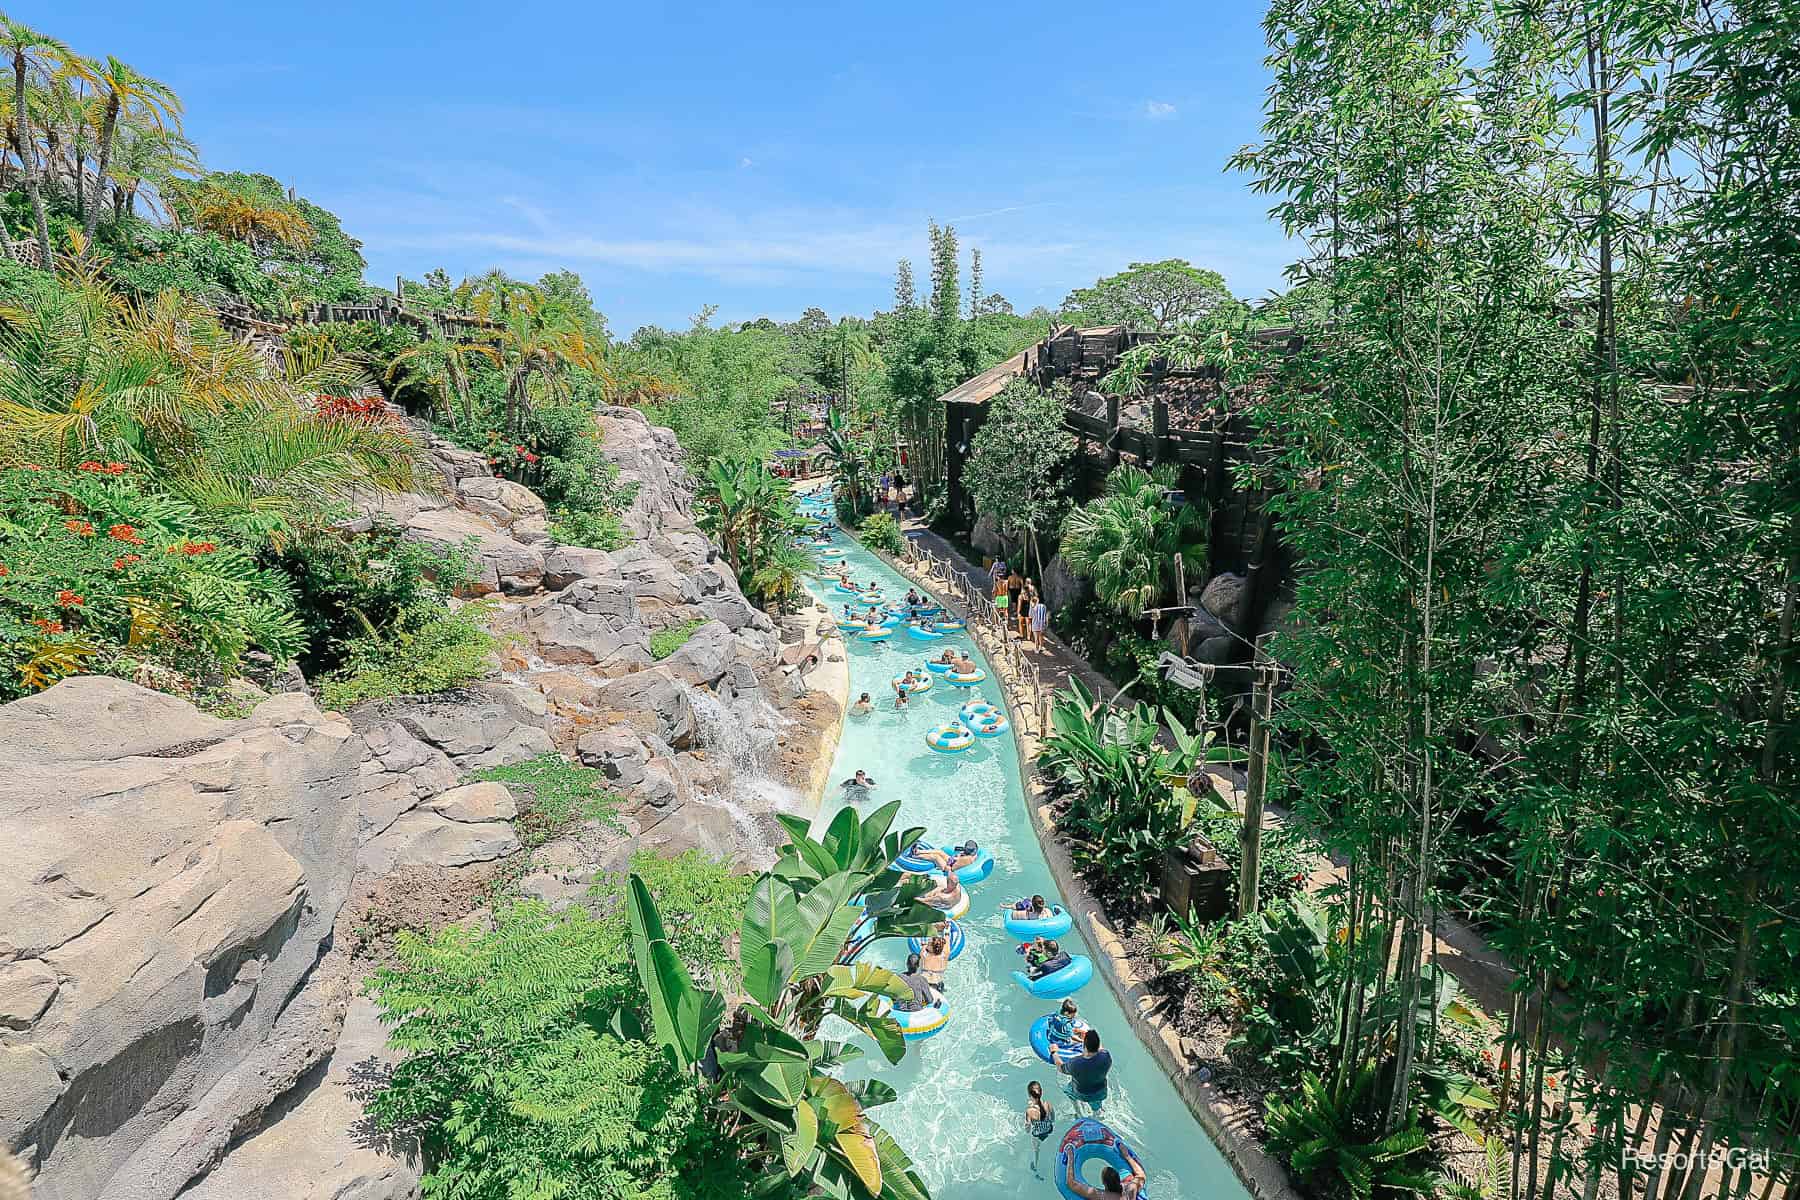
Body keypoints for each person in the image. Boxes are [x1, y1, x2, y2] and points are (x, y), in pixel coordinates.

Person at [1053, 1029, 1114, 1114]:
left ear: (1084, 1046)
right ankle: (1097, 1112)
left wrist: (1054, 1052)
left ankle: (1078, 1111)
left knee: (1068, 1091)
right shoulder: (1106, 1056)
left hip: (1081, 1093)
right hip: (1100, 1092)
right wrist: (1085, 1035)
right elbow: (1099, 1048)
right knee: (1096, 1105)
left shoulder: (1075, 1063)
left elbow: (1061, 1068)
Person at [1063, 1145, 1146, 1200]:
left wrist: (1070, 1157)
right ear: (1119, 1179)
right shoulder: (1131, 1188)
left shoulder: (1103, 1196)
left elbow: (1071, 1184)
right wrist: (1126, 1155)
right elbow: (1141, 1175)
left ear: (1104, 1183)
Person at [1024, 1080, 1056, 1177]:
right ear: (1041, 1092)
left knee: (1036, 1150)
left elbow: (1027, 1130)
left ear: (1029, 1095)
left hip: (1037, 1135)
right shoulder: (1048, 1104)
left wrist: (1027, 1125)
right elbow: (1053, 1119)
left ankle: (1035, 1167)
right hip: (1049, 1130)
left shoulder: (1029, 1111)